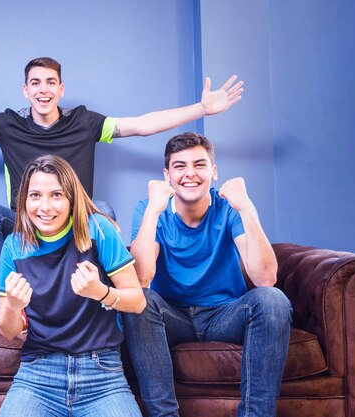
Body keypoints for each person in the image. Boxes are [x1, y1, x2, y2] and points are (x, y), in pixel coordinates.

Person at [0, 57, 244, 285]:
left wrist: (202, 109)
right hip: (24, 224)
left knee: (104, 210)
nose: (43, 89)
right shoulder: (6, 124)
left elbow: (142, 124)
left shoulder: (86, 122)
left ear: (60, 89)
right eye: (35, 83)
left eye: (51, 82)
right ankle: (10, 295)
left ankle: (88, 297)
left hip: (76, 224)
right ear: (26, 90)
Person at [122, 132, 292, 417]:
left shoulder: (229, 208)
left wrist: (247, 208)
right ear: (167, 175)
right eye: (180, 166)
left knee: (273, 299)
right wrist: (153, 209)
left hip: (224, 316)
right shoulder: (150, 210)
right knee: (139, 299)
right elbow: (140, 279)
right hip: (172, 317)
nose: (190, 174)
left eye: (199, 165)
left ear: (213, 171)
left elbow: (265, 279)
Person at [0, 154, 146, 417]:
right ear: (24, 200)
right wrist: (12, 307)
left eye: (56, 195)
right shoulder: (13, 247)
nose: (45, 206)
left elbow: (138, 301)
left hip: (102, 375)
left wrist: (102, 292)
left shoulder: (98, 229)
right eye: (35, 195)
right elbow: (9, 331)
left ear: (71, 198)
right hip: (38, 376)